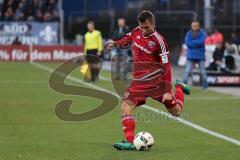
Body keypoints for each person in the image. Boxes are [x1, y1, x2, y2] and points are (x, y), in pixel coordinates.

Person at [106, 11, 190, 150]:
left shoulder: (159, 41)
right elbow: (127, 39)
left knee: (176, 112)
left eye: (147, 27)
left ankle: (179, 87)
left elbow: (166, 66)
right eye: (142, 27)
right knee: (126, 106)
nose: (143, 30)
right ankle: (131, 142)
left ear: (153, 24)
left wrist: (168, 89)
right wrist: (115, 43)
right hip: (139, 81)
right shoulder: (136, 31)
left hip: (158, 83)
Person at [182, 21, 208, 89]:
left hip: (200, 55)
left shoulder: (202, 33)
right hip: (191, 55)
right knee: (187, 71)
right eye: (192, 25)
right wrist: (196, 44)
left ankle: (205, 86)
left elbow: (201, 42)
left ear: (198, 26)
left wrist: (192, 43)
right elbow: (187, 43)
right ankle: (184, 86)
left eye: (195, 25)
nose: (194, 27)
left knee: (202, 71)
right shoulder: (188, 33)